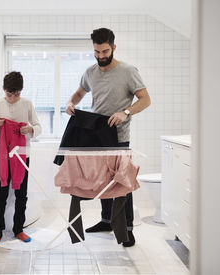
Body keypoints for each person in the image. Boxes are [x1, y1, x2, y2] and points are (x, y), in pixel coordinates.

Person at [65, 28, 151, 247]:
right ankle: (106, 220)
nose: (101, 56)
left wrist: (126, 112)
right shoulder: (90, 72)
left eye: (105, 51)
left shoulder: (128, 71)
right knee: (103, 180)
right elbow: (78, 93)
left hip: (119, 136)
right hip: (96, 134)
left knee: (123, 182)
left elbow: (145, 99)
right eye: (96, 51)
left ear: (113, 47)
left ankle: (127, 229)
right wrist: (70, 103)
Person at [0, 71, 42, 248]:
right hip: (3, 158)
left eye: (17, 94)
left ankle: (19, 229)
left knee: (21, 195)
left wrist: (30, 130)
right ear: (4, 90)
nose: (13, 98)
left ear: (21, 91)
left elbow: (39, 126)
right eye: (10, 94)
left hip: (23, 157)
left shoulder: (27, 104)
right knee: (0, 195)